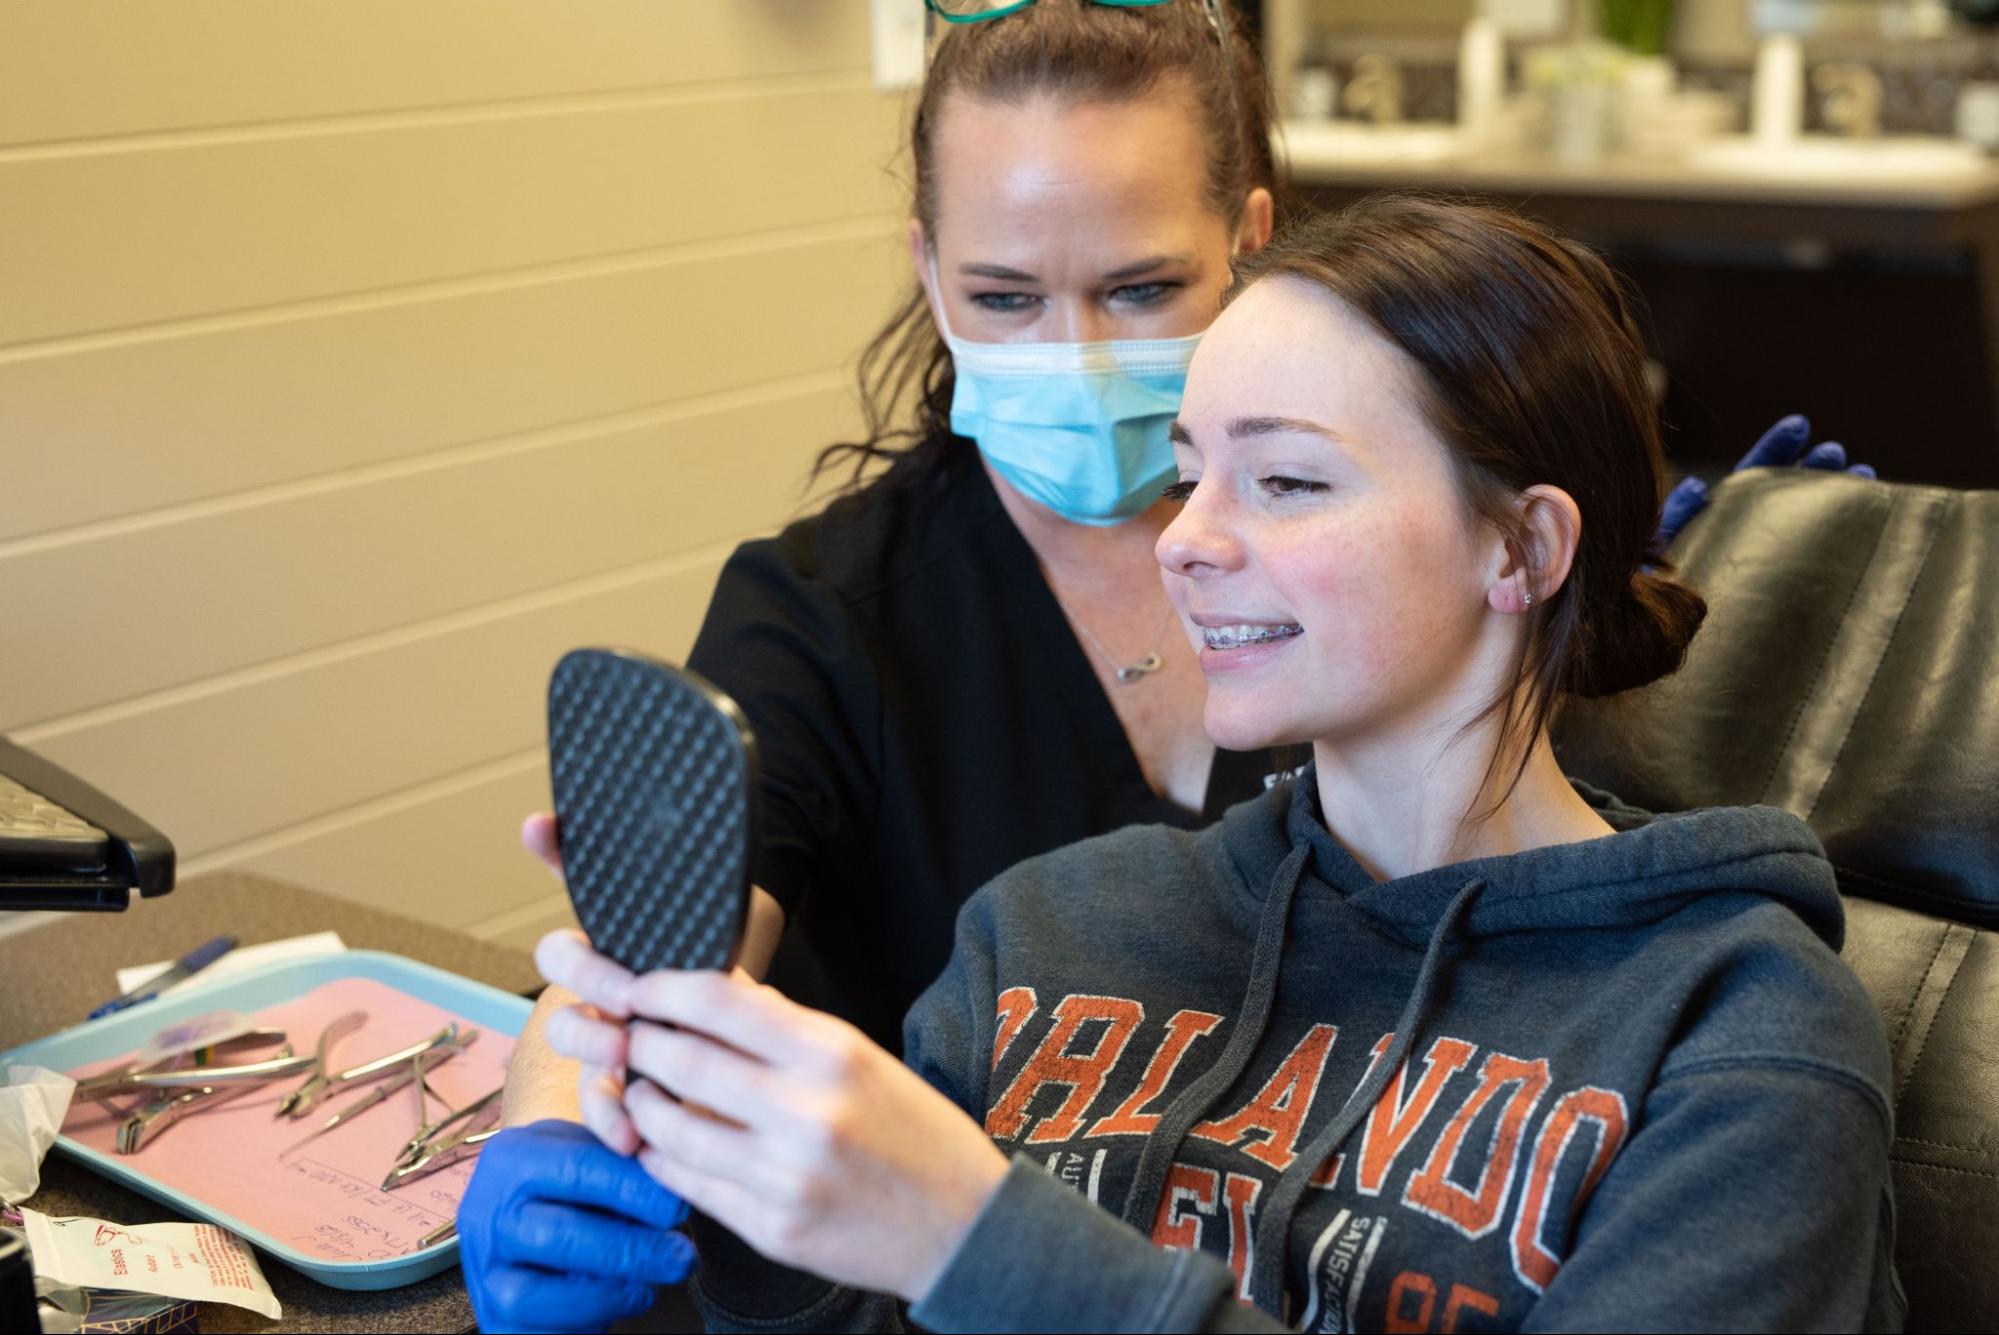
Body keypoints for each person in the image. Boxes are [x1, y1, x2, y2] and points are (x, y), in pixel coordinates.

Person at [464, 2, 1870, 1326]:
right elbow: (792, 1205)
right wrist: (622, 1128)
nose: (1184, 542)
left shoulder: (1724, 1026)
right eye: (1004, 297)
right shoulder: (1035, 928)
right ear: (930, 274)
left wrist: (981, 1234)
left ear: (1245, 240)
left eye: (1289, 480)